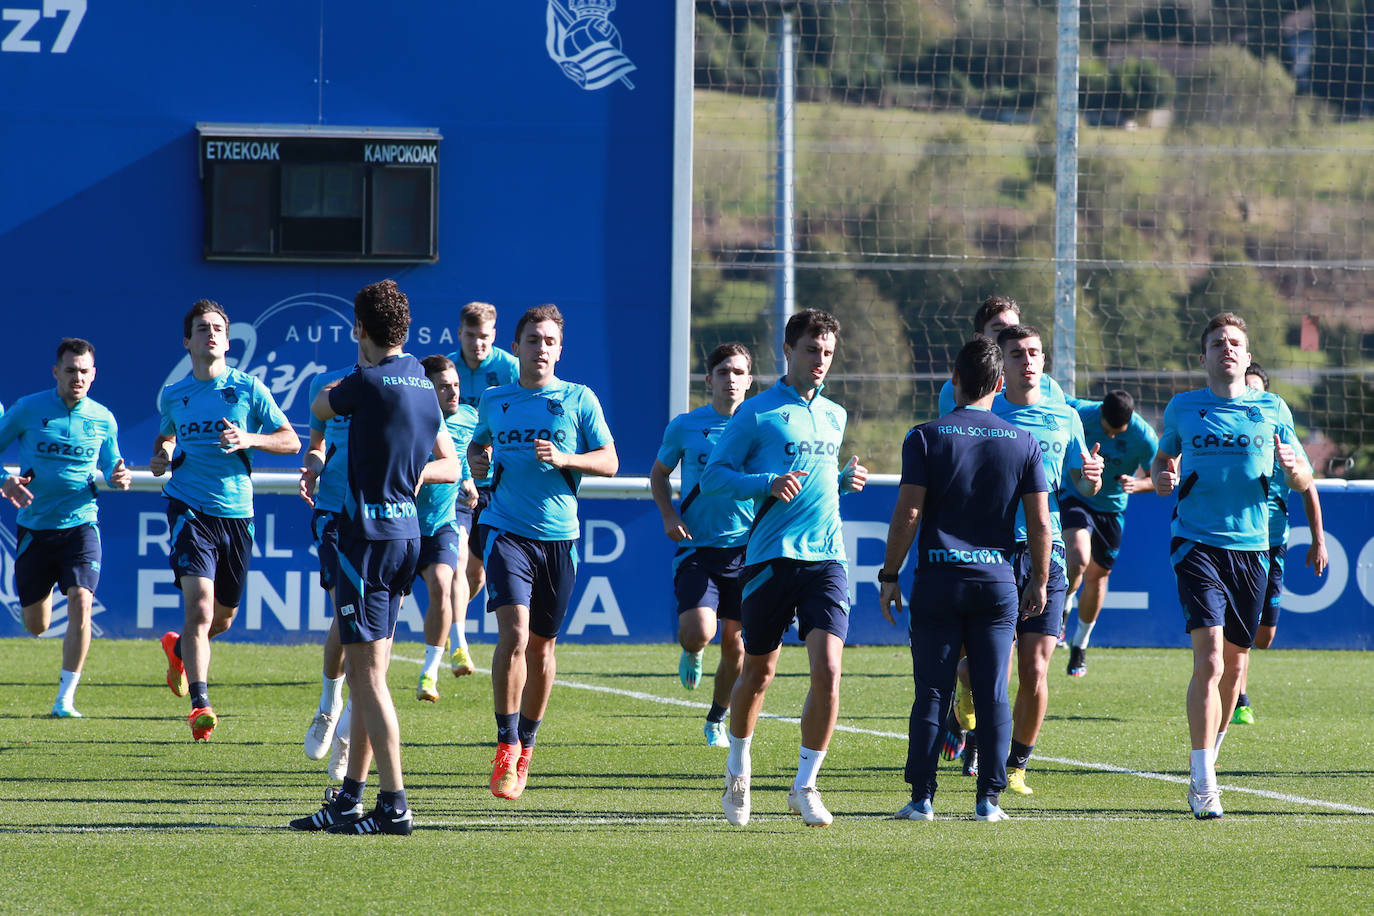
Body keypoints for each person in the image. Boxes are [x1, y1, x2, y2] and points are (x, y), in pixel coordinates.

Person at [290, 279, 459, 835]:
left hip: (365, 538)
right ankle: (350, 799)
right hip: (406, 535)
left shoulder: (364, 382)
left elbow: (318, 404)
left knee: (368, 678)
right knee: (372, 674)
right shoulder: (423, 384)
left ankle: (396, 804)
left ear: (359, 329)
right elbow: (444, 461)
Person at [701, 308, 869, 828]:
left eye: (827, 352)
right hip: (770, 558)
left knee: (830, 671)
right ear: (788, 353)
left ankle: (805, 785)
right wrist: (765, 483)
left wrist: (841, 482)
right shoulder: (756, 412)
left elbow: (817, 482)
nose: (820, 361)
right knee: (759, 672)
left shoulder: (836, 415)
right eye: (811, 351)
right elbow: (713, 477)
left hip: (826, 558)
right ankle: (738, 766)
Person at [878, 336, 1050, 822]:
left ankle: (922, 799)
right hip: (998, 584)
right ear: (999, 383)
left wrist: (890, 574)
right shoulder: (1023, 441)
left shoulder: (925, 437)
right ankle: (988, 800)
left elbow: (908, 511)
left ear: (953, 381)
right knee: (994, 690)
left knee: (933, 690)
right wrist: (1038, 578)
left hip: (939, 579)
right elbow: (1040, 523)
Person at [1150, 312, 1311, 820]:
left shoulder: (1272, 408)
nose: (1227, 349)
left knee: (1236, 668)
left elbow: (1305, 476)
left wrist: (1295, 470)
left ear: (1246, 354)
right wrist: (1161, 478)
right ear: (1204, 357)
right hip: (1196, 543)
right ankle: (1203, 784)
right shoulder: (1183, 408)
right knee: (1212, 659)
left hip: (1254, 548)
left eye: (1235, 342)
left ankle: (1208, 761)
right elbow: (1160, 462)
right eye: (1218, 342)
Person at [467, 304, 617, 801]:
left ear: (560, 349)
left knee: (543, 648)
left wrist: (567, 457)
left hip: (559, 539)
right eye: (533, 340)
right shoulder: (495, 399)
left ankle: (527, 746)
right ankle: (505, 745)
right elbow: (479, 450)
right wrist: (478, 459)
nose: (542, 348)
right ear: (518, 347)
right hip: (504, 529)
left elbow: (611, 461)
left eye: (550, 341)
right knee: (513, 632)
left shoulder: (578, 398)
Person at [152, 300, 299, 741]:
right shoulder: (175, 394)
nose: (210, 334)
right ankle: (201, 705)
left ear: (228, 340)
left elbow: (290, 441)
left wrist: (249, 437)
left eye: (217, 328)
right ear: (187, 341)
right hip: (188, 507)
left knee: (223, 619)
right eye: (201, 328)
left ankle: (179, 651)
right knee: (197, 606)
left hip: (236, 513)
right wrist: (161, 454)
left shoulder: (248, 388)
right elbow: (166, 434)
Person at [985, 325, 1102, 798]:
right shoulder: (987, 413)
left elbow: (1083, 482)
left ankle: (1016, 763)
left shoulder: (1065, 416)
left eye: (1034, 353)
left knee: (1035, 667)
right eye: (1017, 354)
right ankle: (973, 726)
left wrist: (1093, 478)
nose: (1028, 361)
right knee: (987, 665)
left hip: (1045, 553)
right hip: (990, 551)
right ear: (1003, 364)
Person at [0, 338, 131, 717]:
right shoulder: (28, 409)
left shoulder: (103, 418)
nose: (77, 377)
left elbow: (112, 465)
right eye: (70, 370)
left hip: (81, 524)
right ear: (56, 372)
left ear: (94, 375)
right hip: (35, 529)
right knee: (36, 625)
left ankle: (65, 699)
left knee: (80, 601)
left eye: (84, 371)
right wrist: (4, 480)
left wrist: (118, 475)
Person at [649, 342, 754, 747]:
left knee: (737, 646)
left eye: (738, 372)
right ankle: (692, 650)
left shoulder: (760, 426)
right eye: (723, 372)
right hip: (698, 549)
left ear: (749, 381)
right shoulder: (686, 426)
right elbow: (658, 475)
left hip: (748, 551)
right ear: (709, 379)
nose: (731, 379)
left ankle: (716, 719)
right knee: (698, 631)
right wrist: (669, 515)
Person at [1230, 362, 1328, 725]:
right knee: (1237, 627)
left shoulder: (1279, 431)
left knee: (1265, 635)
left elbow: (1307, 485)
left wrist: (1319, 540)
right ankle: (1239, 697)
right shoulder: (1232, 438)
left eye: (1255, 389)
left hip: (1274, 541)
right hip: (1238, 540)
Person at [1061, 389, 1160, 677]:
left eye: (1120, 432)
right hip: (1076, 496)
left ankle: (1080, 644)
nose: (1113, 437)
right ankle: (1063, 607)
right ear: (1100, 414)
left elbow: (1163, 474)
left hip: (1112, 509)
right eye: (1108, 430)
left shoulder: (1144, 436)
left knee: (1097, 576)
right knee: (1077, 556)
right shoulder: (1080, 412)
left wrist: (1138, 484)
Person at [448, 301, 521, 676]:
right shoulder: (445, 370)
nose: (479, 344)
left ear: (495, 336)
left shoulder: (510, 369)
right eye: (471, 336)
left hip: (494, 483)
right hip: (453, 484)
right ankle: (456, 637)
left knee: (476, 574)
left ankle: (449, 619)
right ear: (459, 334)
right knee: (458, 564)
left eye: (485, 337)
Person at [298, 364, 354, 775]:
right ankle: (328, 706)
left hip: (392, 520)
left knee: (377, 638)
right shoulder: (328, 385)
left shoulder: (409, 384)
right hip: (335, 511)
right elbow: (315, 445)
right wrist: (314, 465)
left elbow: (441, 456)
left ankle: (348, 737)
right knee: (348, 617)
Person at [413, 354, 478, 703]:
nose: (453, 392)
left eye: (456, 385)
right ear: (426, 389)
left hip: (445, 517)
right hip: (401, 523)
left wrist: (470, 478)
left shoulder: (469, 417)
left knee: (447, 578)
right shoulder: (411, 418)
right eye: (444, 386)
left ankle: (431, 671)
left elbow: (473, 453)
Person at [937, 295, 1065, 416]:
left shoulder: (1047, 385)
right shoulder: (958, 386)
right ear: (978, 338)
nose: (1008, 335)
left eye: (1014, 329)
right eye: (998, 329)